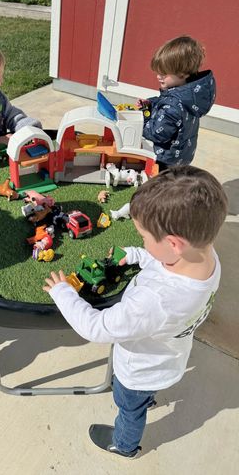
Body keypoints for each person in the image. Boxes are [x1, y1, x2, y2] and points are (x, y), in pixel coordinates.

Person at [43, 166, 227, 458]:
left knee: (129, 408)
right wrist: (137, 254)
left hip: (138, 372)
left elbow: (96, 327)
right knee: (142, 397)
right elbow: (165, 262)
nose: (143, 242)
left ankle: (124, 444)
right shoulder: (206, 257)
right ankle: (147, 398)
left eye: (144, 237)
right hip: (169, 358)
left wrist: (63, 293)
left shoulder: (155, 302)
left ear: (174, 243)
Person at [137, 36, 216, 170]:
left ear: (183, 74)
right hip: (181, 156)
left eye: (164, 74)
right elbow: (166, 100)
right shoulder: (189, 94)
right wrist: (151, 103)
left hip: (164, 160)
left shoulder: (173, 106)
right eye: (158, 72)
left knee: (162, 182)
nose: (158, 76)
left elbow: (155, 134)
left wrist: (144, 115)